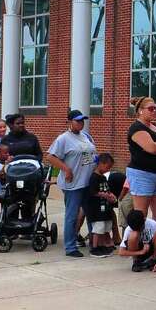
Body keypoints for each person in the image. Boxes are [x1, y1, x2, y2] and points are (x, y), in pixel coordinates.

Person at [44, 110, 98, 258]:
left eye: (82, 120)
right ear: (70, 122)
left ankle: (95, 243)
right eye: (77, 120)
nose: (81, 123)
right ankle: (70, 246)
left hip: (88, 181)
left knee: (91, 213)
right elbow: (50, 156)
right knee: (72, 215)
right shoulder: (63, 139)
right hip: (73, 183)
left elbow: (92, 154)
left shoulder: (86, 136)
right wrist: (65, 168)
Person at [126, 96, 156, 229]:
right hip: (142, 175)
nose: (154, 111)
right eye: (151, 108)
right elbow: (152, 148)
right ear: (140, 110)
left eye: (155, 108)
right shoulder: (136, 128)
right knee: (141, 214)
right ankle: (138, 244)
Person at [84, 153, 119, 257]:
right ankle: (95, 248)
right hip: (96, 209)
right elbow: (93, 192)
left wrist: (111, 195)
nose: (108, 170)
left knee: (106, 227)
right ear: (101, 164)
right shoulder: (94, 177)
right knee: (98, 228)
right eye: (107, 167)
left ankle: (103, 245)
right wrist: (104, 195)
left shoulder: (103, 177)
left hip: (105, 208)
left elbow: (106, 190)